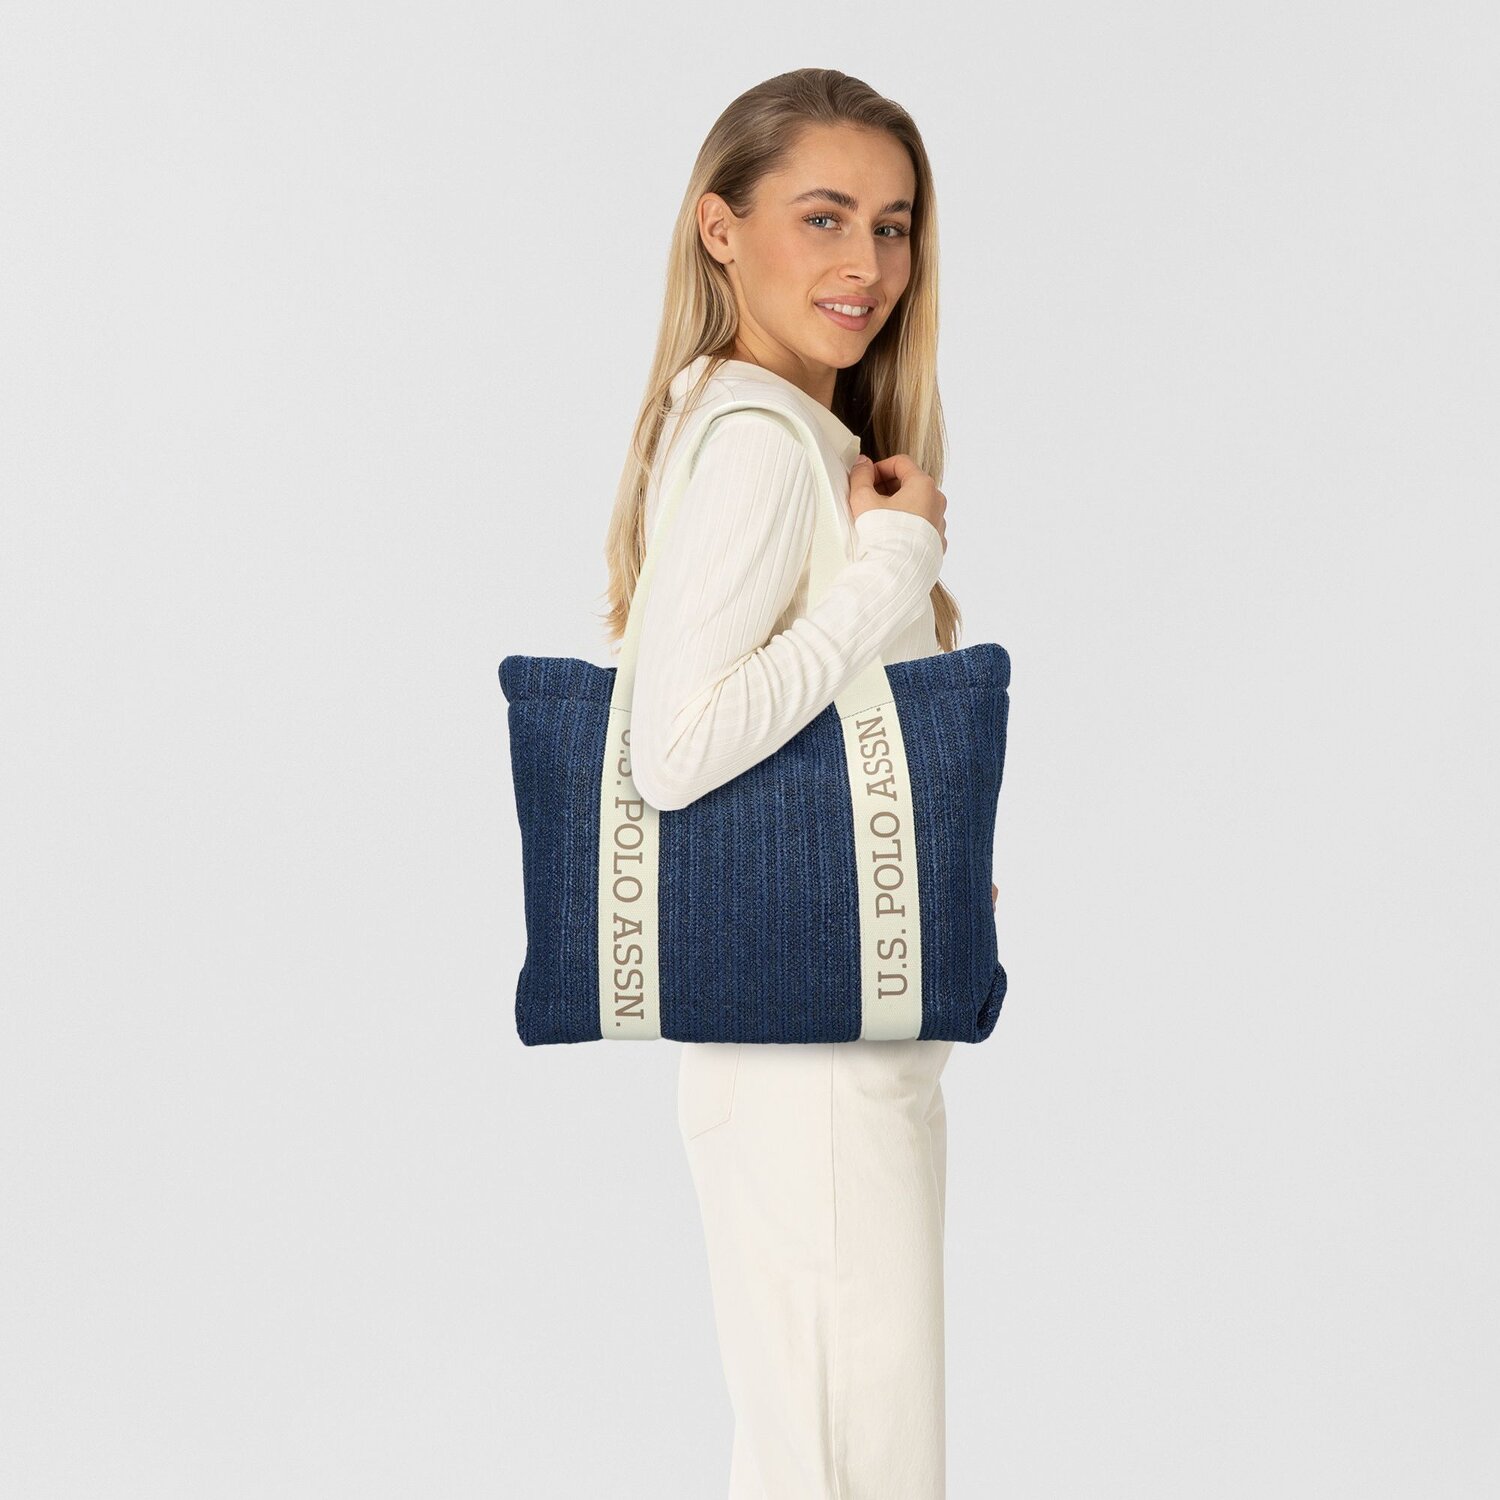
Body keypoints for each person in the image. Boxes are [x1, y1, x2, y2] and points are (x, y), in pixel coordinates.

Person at [596, 68, 995, 1500]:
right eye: (822, 218)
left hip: (828, 1053)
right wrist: (893, 565)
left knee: (827, 1460)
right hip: (810, 1072)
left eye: (893, 226)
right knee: (846, 1470)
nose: (866, 265)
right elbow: (679, 746)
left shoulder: (768, 427)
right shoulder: (766, 442)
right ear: (722, 230)